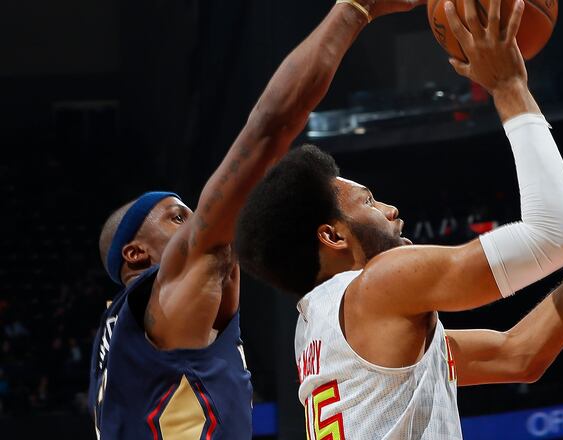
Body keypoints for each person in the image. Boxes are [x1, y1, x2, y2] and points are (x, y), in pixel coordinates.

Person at [235, 0, 563, 439]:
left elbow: (521, 355)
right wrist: (510, 86)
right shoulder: (379, 284)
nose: (392, 210)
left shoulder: (317, 331)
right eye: (369, 201)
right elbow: (556, 235)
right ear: (332, 235)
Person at [87, 1, 425, 438]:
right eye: (177, 219)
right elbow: (269, 128)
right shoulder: (169, 295)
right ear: (137, 253)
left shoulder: (123, 348)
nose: (201, 223)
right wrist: (355, 10)